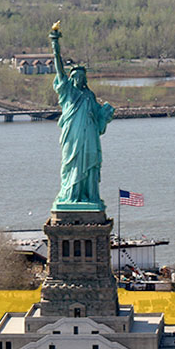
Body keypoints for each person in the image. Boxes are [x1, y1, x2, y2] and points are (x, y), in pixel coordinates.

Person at [49, 21, 115, 210]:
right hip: (73, 136)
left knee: (91, 164)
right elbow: (59, 70)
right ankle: (71, 195)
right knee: (71, 163)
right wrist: (55, 46)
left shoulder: (89, 95)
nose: (79, 79)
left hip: (90, 136)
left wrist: (106, 115)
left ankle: (90, 196)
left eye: (81, 76)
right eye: (75, 76)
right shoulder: (69, 92)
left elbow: (99, 119)